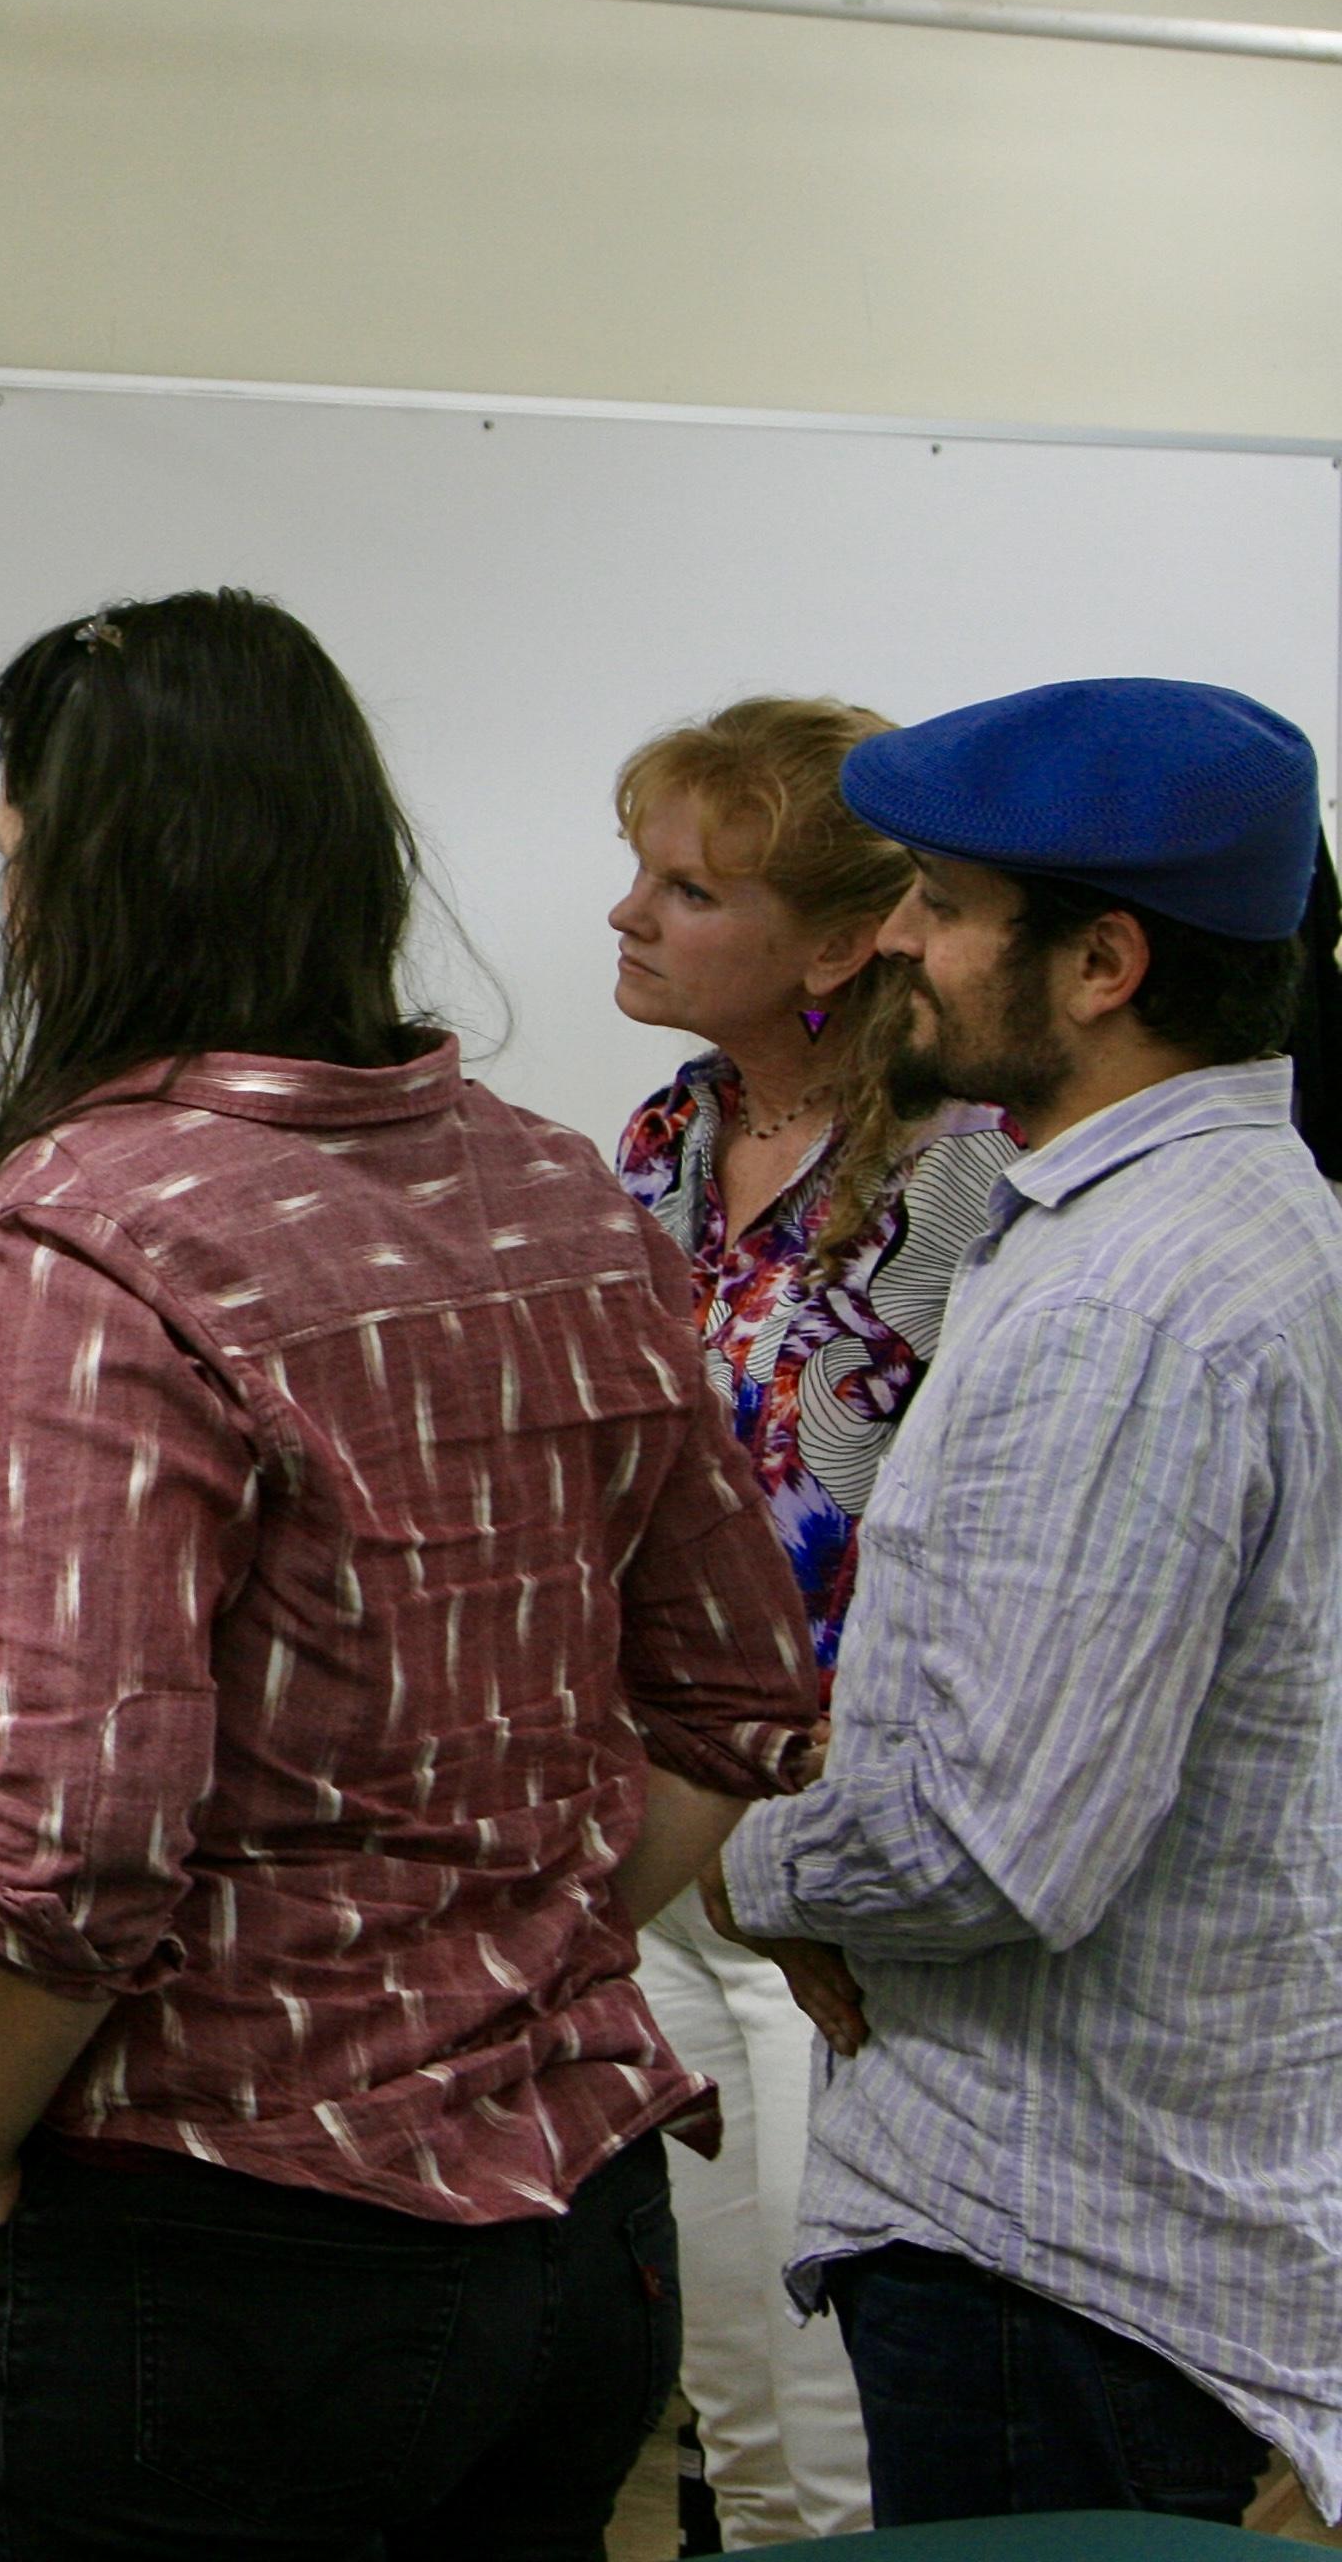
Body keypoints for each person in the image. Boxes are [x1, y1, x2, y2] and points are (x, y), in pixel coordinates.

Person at [0, 589, 824, 2561]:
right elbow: (742, 1688)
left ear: (84, 870)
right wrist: (515, 1941)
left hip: (232, 2255)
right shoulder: (557, 1181)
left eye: (16, 845)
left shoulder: (103, 1215)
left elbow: (83, 1829)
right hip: (580, 2239)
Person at [701, 677, 1342, 2529]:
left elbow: (994, 1846)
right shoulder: (1219, 1216)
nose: (895, 936)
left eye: (946, 903)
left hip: (1065, 2261)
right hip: (1116, 2234)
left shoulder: (1121, 1309)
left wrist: (753, 1866)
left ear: (1103, 963)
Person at [602, 697, 1017, 2545]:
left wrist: (817, 1829)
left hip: (844, 1859)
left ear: (846, 943)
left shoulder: (969, 1178)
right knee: (728, 2419)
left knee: (842, 2423)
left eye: (688, 888)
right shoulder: (659, 1141)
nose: (627, 914)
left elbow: (985, 1539)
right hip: (647, 1815)